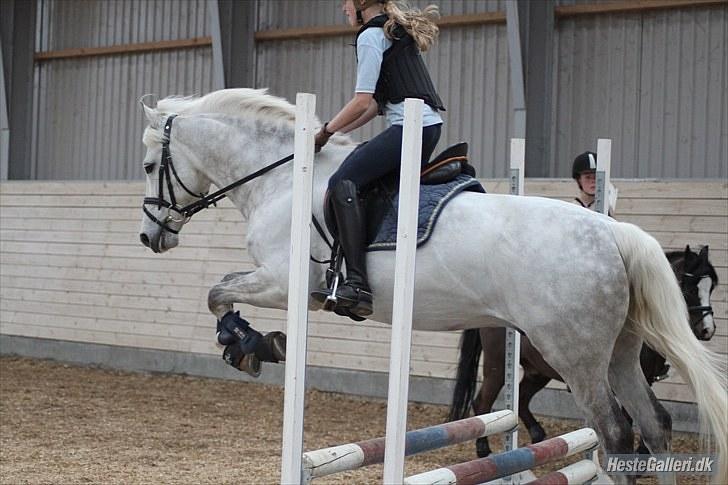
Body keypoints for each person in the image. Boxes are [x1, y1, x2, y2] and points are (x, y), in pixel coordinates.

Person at [312, 0, 444, 318]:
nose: (343, 8)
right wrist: (332, 131)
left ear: (360, 4)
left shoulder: (370, 36)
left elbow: (360, 102)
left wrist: (325, 132)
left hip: (410, 128)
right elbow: (373, 107)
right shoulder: (394, 31)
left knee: (343, 182)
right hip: (427, 126)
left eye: (346, 2)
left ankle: (357, 282)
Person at [571, 150, 617, 216]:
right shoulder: (572, 208)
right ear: (579, 180)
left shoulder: (606, 208)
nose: (593, 181)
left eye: (596, 177)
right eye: (588, 177)